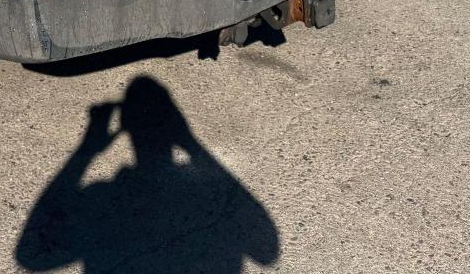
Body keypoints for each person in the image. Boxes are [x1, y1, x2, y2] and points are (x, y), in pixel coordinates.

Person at [17, 76, 279, 274]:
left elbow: (30, 256)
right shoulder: (199, 195)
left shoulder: (104, 198)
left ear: (127, 130)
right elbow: (267, 250)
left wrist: (86, 150)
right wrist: (190, 143)